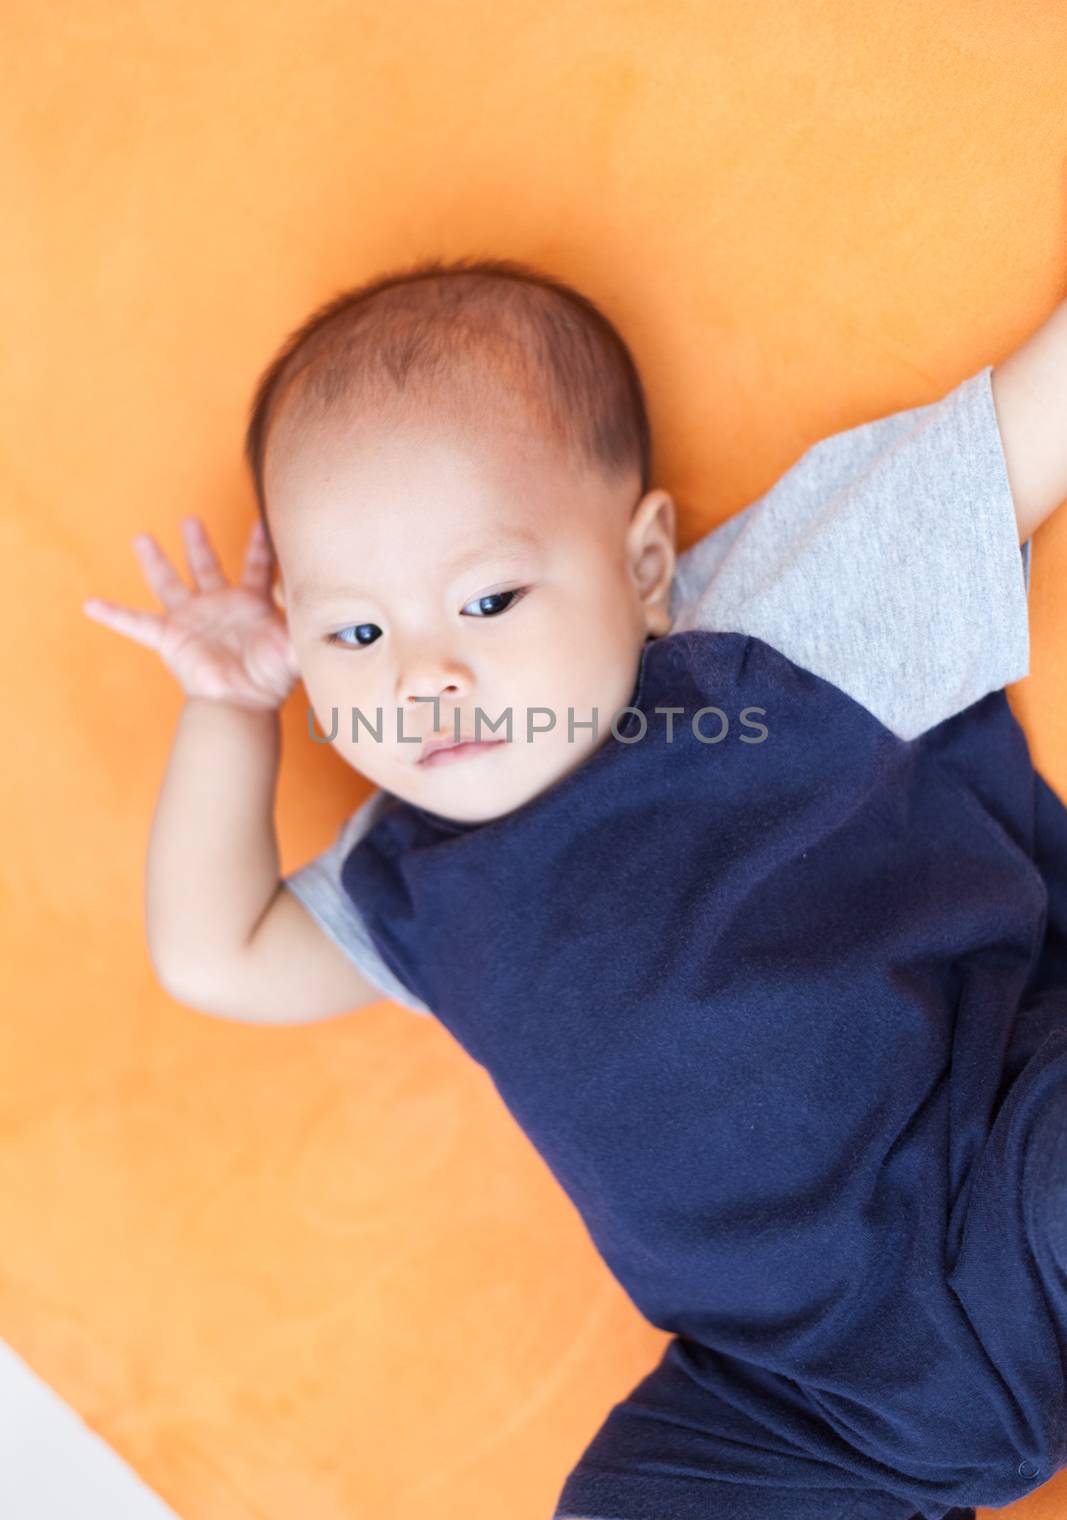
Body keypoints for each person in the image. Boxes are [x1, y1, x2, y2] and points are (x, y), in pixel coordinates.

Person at [83, 256, 1067, 1520]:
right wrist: (229, 713)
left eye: (486, 599)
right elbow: (215, 955)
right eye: (356, 634)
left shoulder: (762, 639)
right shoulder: (405, 880)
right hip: (799, 1396)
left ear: (643, 560)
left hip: (1001, 1154)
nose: (424, 678)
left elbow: (1014, 443)